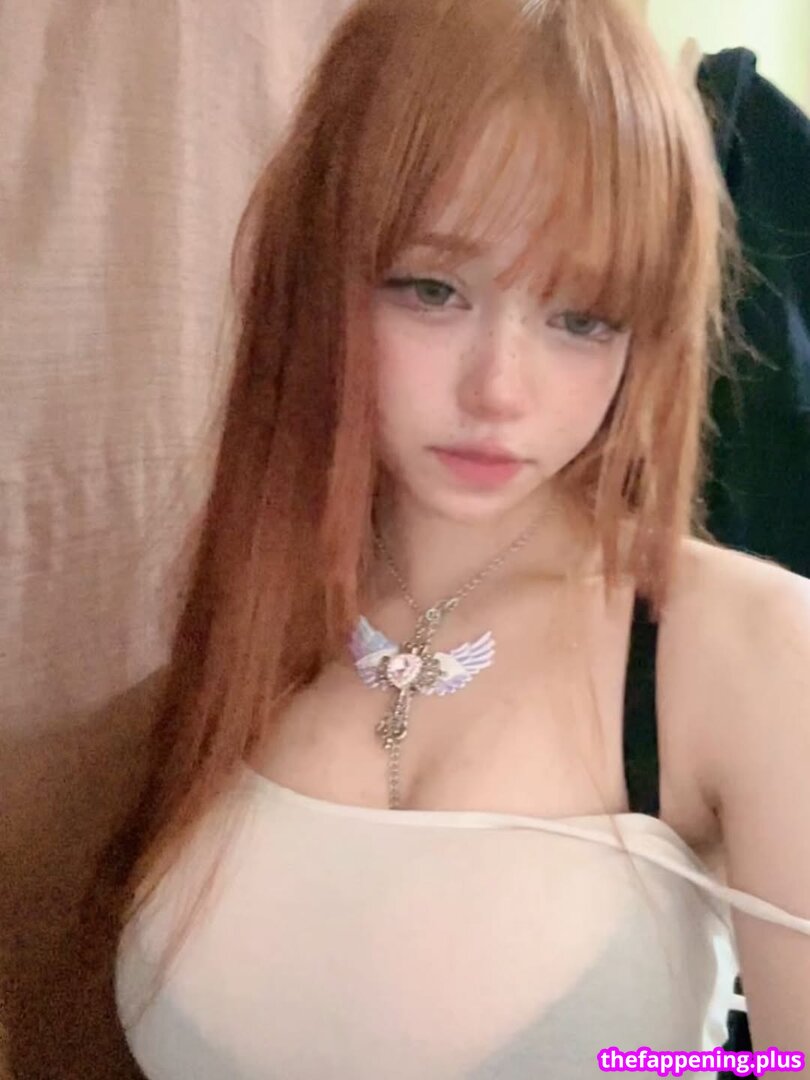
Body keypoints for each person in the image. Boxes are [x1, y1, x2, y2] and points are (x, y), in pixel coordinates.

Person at [104, 0, 810, 1076]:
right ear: (319, 278)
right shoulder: (258, 604)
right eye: (432, 290)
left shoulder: (748, 649)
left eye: (583, 318)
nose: (500, 391)